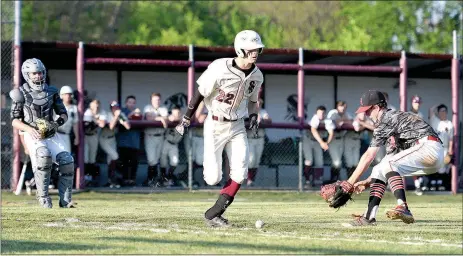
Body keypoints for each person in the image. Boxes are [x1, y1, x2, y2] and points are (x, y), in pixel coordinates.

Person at [175, 29, 264, 227]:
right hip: (215, 124)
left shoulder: (257, 74)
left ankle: (214, 213)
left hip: (238, 125)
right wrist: (186, 118)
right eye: (251, 49)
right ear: (240, 49)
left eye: (257, 48)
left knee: (241, 172)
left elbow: (252, 100)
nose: (255, 52)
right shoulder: (219, 67)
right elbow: (199, 93)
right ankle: (214, 212)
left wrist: (254, 116)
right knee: (213, 178)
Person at [346, 90, 444, 226]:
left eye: (368, 110)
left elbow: (369, 155)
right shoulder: (392, 122)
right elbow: (387, 162)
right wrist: (367, 182)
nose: (366, 114)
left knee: (389, 164)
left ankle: (403, 206)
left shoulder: (386, 119)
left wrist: (349, 183)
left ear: (376, 107)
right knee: (379, 169)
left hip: (428, 147)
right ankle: (369, 217)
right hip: (429, 153)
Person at [9, 58, 75, 208]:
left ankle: (65, 201)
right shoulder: (20, 93)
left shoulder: (52, 91)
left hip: (50, 134)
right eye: (34, 73)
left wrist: (55, 124)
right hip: (31, 134)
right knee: (43, 157)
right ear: (27, 74)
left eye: (40, 73)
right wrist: (29, 129)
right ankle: (43, 198)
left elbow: (63, 114)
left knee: (67, 160)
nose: (38, 76)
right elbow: (14, 120)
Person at [99, 101, 130, 188]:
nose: (115, 109)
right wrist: (116, 116)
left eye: (116, 107)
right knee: (115, 156)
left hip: (112, 139)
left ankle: (111, 180)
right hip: (104, 138)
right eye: (113, 107)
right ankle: (112, 179)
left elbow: (128, 126)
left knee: (110, 159)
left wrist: (121, 118)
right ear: (110, 108)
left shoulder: (121, 114)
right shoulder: (107, 114)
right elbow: (111, 126)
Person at [302, 105, 334, 189]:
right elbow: (313, 129)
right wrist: (322, 143)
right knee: (309, 160)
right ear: (316, 113)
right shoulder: (315, 118)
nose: (321, 115)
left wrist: (326, 143)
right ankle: (307, 181)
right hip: (308, 140)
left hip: (318, 142)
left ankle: (318, 181)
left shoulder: (327, 120)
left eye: (323, 113)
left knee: (319, 161)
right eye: (319, 113)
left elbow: (331, 132)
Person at [143, 93, 169, 186]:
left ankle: (154, 180)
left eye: (158, 100)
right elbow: (149, 117)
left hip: (160, 136)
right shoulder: (147, 108)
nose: (157, 101)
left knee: (157, 159)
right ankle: (150, 180)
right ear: (151, 100)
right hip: (150, 136)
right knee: (151, 160)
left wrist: (162, 118)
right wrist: (161, 118)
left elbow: (167, 119)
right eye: (155, 100)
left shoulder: (163, 108)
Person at [427, 104, 453, 191]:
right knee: (433, 166)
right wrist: (438, 105)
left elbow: (451, 139)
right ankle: (433, 184)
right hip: (434, 148)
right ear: (438, 112)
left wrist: (450, 150)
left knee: (442, 168)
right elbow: (430, 110)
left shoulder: (449, 124)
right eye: (441, 111)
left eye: (444, 111)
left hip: (444, 148)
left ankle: (440, 184)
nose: (443, 113)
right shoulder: (435, 121)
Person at [117, 95, 142, 186]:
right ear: (126, 103)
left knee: (134, 162)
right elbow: (123, 119)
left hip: (135, 142)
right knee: (124, 163)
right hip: (124, 142)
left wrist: (137, 114)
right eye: (129, 102)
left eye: (133, 102)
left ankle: (132, 180)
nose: (131, 104)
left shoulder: (138, 113)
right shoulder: (122, 111)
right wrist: (132, 114)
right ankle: (124, 180)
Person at [246, 99, 271, 187]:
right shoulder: (247, 111)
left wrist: (262, 121)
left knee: (257, 161)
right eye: (257, 103)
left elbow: (269, 121)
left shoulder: (263, 112)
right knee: (251, 160)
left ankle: (252, 180)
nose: (258, 105)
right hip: (250, 138)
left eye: (260, 104)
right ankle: (248, 179)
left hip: (260, 138)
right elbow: (243, 123)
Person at [327, 101, 353, 182]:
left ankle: (336, 179)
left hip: (341, 139)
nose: (343, 108)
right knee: (337, 162)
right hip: (333, 139)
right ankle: (333, 179)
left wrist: (342, 121)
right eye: (341, 106)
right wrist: (344, 120)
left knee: (339, 162)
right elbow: (335, 122)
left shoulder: (346, 114)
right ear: (337, 107)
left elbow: (352, 121)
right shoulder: (333, 112)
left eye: (344, 107)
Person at [83, 99, 106, 187]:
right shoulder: (88, 111)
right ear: (90, 106)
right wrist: (96, 120)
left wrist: (95, 120)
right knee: (85, 158)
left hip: (94, 135)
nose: (96, 107)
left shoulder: (102, 112)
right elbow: (88, 125)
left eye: (97, 105)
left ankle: (90, 178)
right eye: (94, 105)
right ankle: (84, 178)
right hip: (85, 136)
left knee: (92, 158)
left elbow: (102, 124)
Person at [160, 105, 183, 186]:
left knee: (175, 162)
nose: (176, 115)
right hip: (166, 141)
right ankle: (163, 179)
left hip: (175, 144)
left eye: (177, 113)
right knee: (163, 162)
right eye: (174, 113)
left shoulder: (183, 118)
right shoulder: (169, 117)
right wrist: (169, 118)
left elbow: (183, 120)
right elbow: (167, 118)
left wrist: (178, 119)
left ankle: (169, 177)